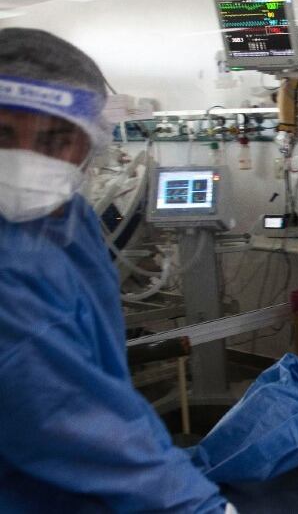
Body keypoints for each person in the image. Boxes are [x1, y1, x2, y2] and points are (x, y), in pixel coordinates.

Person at [0, 28, 231, 512]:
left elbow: (99, 394)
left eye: (55, 139)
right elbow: (64, 418)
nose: (26, 160)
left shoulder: (67, 217)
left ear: (88, 144)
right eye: (2, 135)